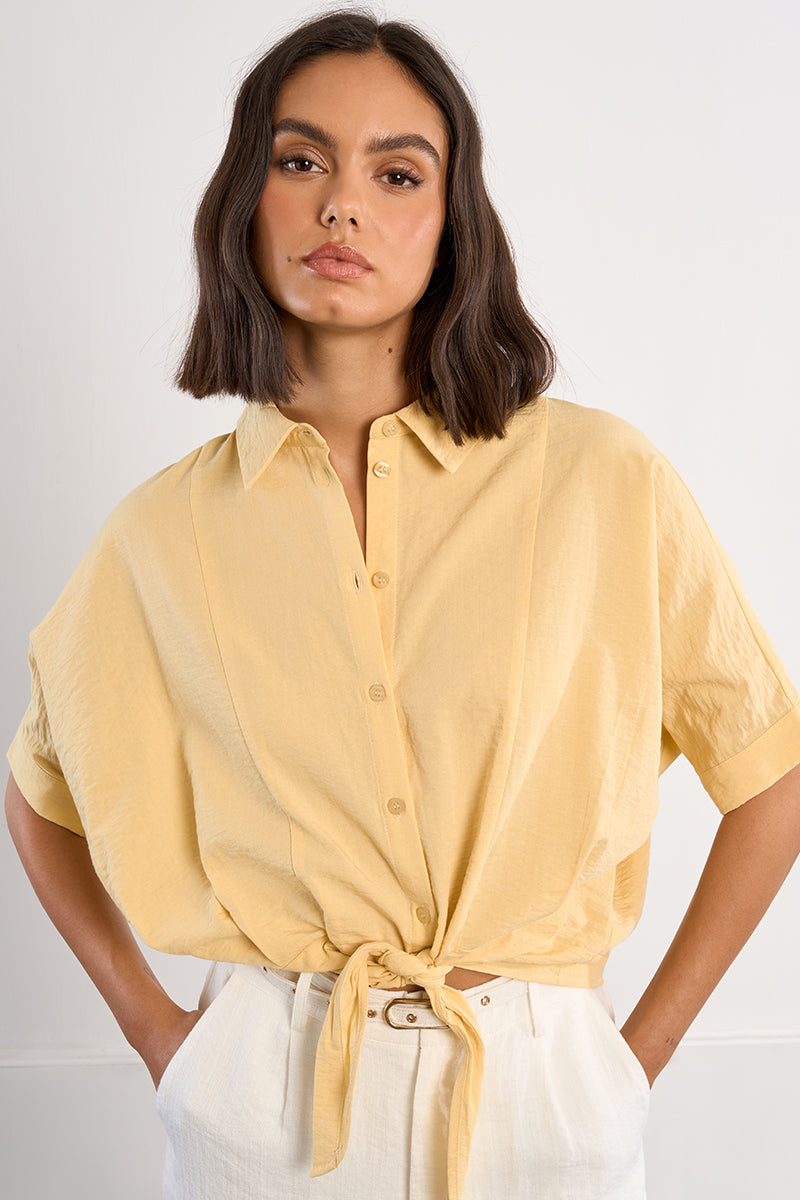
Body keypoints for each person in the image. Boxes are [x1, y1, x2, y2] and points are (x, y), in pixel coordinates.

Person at [5, 8, 800, 1200]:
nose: (341, 206)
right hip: (265, 1109)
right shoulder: (159, 535)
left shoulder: (600, 482)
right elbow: (40, 792)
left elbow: (768, 772)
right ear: (245, 198)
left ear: (451, 221)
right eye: (299, 160)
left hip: (541, 1096)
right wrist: (164, 1040)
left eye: (395, 172)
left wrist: (626, 1062)